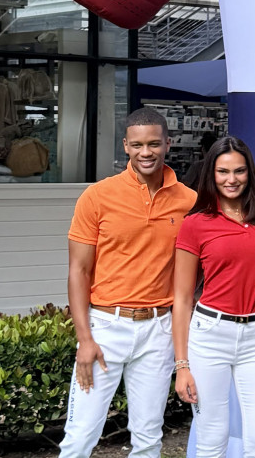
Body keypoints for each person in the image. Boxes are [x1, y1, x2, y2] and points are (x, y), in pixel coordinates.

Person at [60, 107, 197, 458]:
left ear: (168, 143)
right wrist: (84, 339)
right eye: (137, 145)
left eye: (154, 144)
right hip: (105, 327)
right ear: (125, 146)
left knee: (148, 438)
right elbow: (78, 271)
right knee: (80, 437)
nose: (146, 152)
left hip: (159, 329)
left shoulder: (189, 201)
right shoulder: (97, 196)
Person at [172, 136, 255, 458]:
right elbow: (182, 298)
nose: (231, 179)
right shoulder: (195, 224)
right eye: (223, 171)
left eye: (239, 171)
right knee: (211, 440)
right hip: (209, 336)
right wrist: (182, 365)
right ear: (211, 174)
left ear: (249, 172)